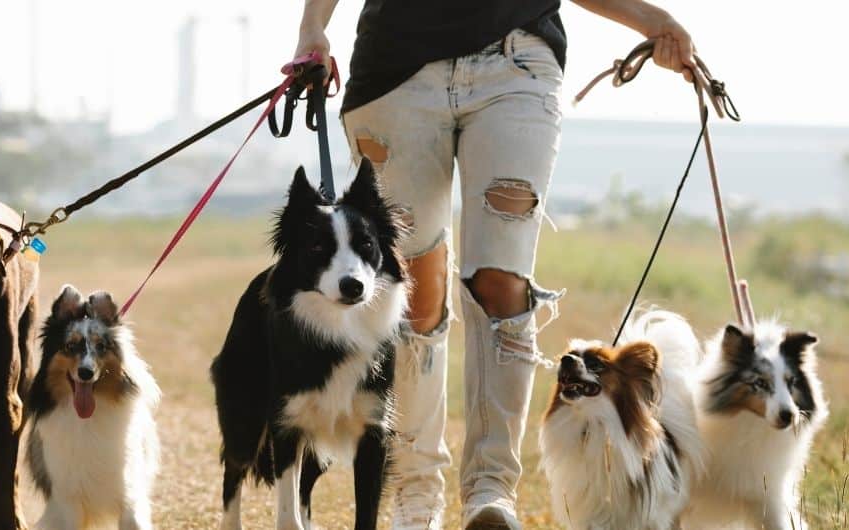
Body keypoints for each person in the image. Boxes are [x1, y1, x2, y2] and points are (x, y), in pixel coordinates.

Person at [293, 1, 697, 528]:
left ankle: (491, 488)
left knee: (503, 282)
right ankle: (415, 491)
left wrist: (652, 20)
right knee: (411, 289)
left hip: (518, 63)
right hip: (396, 70)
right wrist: (312, 26)